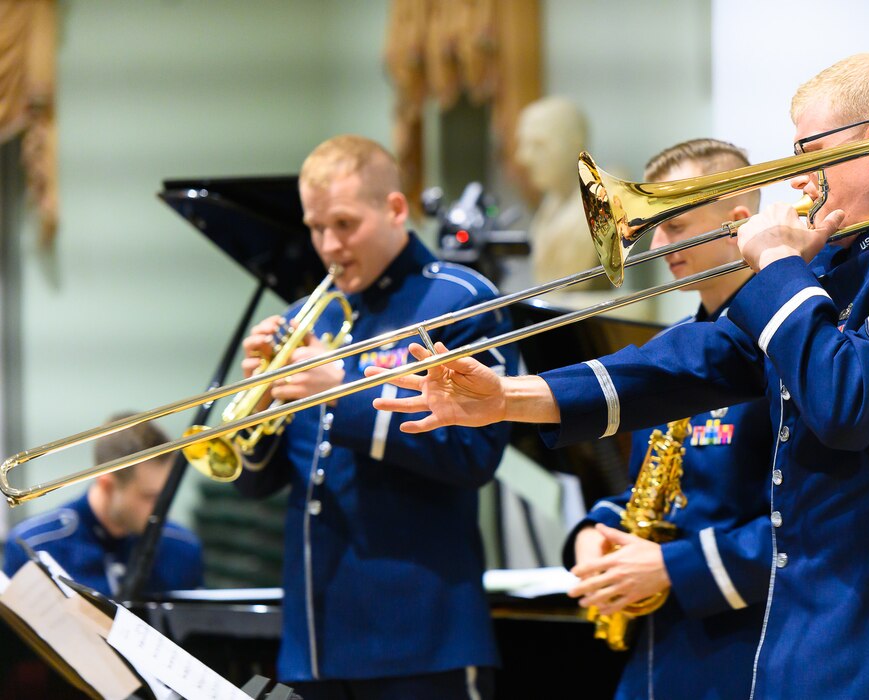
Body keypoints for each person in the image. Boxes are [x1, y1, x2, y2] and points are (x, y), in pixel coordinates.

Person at [371, 53, 869, 698]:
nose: (798, 180)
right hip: (796, 648)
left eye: (808, 152)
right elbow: (694, 361)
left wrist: (778, 267)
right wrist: (508, 397)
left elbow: (846, 402)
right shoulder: (837, 269)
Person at [233, 134, 519, 700]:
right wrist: (260, 400)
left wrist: (341, 391)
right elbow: (254, 483)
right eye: (316, 228)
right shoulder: (303, 320)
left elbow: (473, 456)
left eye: (344, 224)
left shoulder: (460, 301)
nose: (328, 245)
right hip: (313, 645)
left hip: (421, 642)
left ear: (394, 209)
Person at [565, 138, 774, 699]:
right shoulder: (670, 346)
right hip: (658, 657)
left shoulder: (788, 344)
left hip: (745, 655)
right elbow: (645, 491)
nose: (658, 244)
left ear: (737, 220)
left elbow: (807, 527)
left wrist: (673, 568)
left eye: (675, 225)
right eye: (654, 226)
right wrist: (595, 533)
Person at [2, 413, 204, 597]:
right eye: (148, 496)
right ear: (107, 484)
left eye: (166, 494)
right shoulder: (34, 546)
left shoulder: (183, 548)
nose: (163, 508)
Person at [514, 96, 600, 286]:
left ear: (575, 144)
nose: (523, 157)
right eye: (523, 144)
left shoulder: (597, 209)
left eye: (538, 144)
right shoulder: (551, 205)